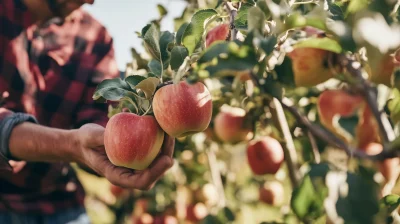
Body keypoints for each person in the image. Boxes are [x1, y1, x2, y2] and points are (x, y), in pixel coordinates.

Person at [0, 0, 175, 223]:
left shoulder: (95, 38)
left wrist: (123, 144)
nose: (91, 2)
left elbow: (98, 119)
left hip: (59, 204)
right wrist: (73, 145)